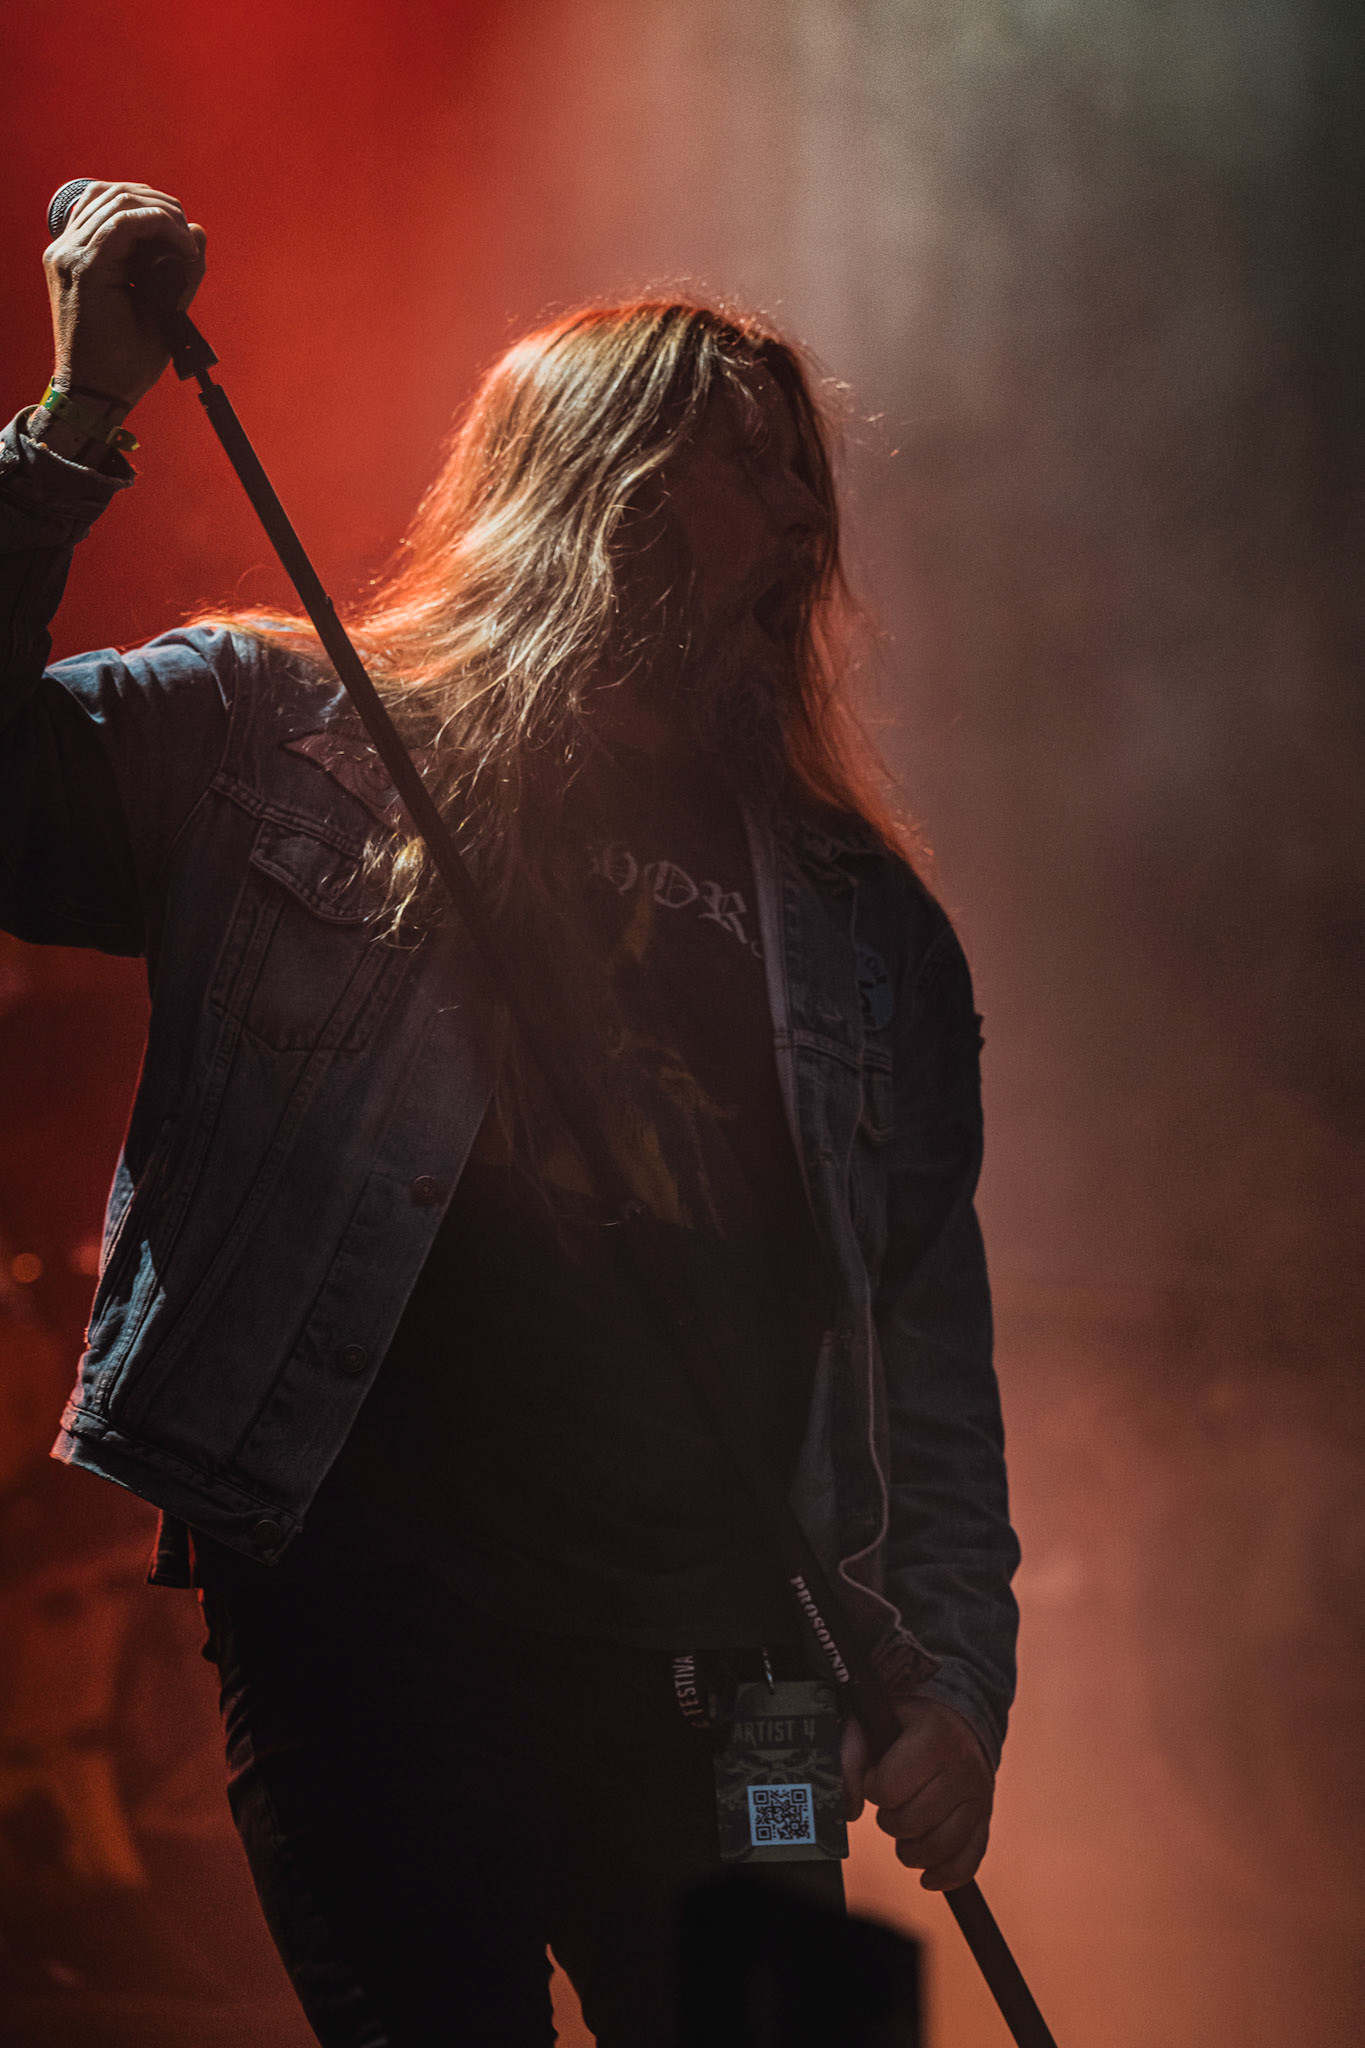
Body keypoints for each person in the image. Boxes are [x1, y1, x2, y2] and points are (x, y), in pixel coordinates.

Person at [1, 181, 1020, 2045]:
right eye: (755, 467)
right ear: (609, 489)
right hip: (372, 1636)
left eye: (813, 479)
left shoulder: (864, 920)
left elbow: (923, 1338)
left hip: (752, 1673)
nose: (808, 518)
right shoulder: (274, 731)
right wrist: (76, 424)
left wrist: (950, 1678)